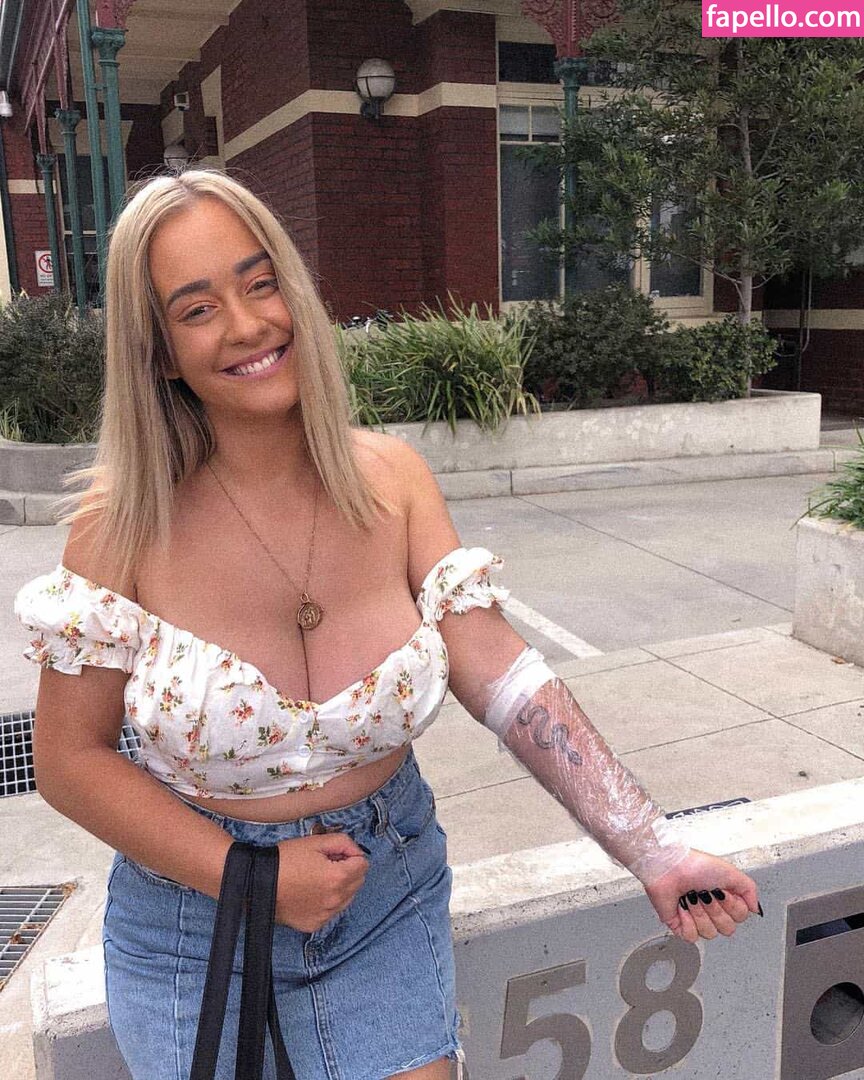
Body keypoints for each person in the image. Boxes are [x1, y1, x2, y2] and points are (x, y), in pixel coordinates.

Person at [14, 170, 760, 1080]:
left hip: (385, 893)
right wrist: (252, 876)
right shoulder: (119, 526)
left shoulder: (394, 480)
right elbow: (70, 760)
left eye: (260, 283)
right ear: (160, 352)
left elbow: (502, 675)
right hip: (191, 921)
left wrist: (653, 848)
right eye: (198, 309)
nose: (248, 325)